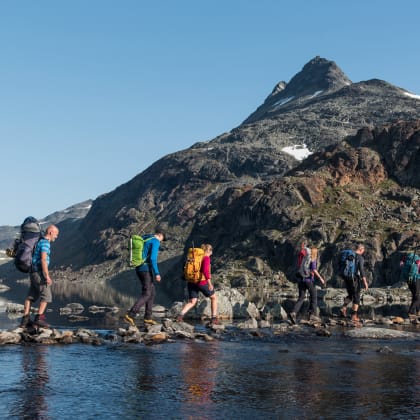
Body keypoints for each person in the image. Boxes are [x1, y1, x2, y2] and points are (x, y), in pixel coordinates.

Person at [20, 225, 60, 328]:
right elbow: (43, 260)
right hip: (39, 273)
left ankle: (25, 321)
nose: (57, 236)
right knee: (46, 296)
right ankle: (39, 319)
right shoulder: (45, 243)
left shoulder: (39, 242)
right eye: (56, 234)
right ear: (50, 232)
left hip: (33, 272)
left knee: (31, 296)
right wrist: (47, 276)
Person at [124, 230, 165, 326]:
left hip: (139, 268)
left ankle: (148, 317)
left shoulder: (146, 237)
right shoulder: (155, 241)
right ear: (160, 235)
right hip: (145, 269)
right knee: (147, 293)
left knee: (152, 292)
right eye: (162, 239)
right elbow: (153, 258)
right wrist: (157, 273)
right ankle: (131, 314)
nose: (161, 242)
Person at [176, 244, 218, 325]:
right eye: (211, 250)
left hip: (191, 282)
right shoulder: (206, 258)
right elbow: (205, 271)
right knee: (214, 298)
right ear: (208, 251)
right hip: (201, 282)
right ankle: (214, 318)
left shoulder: (194, 258)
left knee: (192, 301)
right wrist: (209, 284)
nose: (212, 252)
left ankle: (180, 316)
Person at [289, 247, 325, 324]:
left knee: (301, 297)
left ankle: (293, 312)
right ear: (315, 253)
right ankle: (312, 315)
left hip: (300, 280)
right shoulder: (313, 259)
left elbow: (301, 266)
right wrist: (321, 278)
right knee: (314, 296)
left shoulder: (305, 258)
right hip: (308, 280)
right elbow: (314, 270)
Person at [340, 243, 369, 322]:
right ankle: (354, 316)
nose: (363, 252)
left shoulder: (349, 255)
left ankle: (343, 308)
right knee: (356, 297)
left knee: (350, 295)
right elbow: (361, 270)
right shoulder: (360, 258)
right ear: (361, 249)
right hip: (354, 279)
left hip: (347, 277)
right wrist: (365, 282)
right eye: (363, 250)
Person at [399, 253, 420, 318]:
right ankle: (411, 312)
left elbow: (401, 265)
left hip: (408, 279)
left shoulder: (405, 259)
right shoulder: (418, 260)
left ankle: (418, 311)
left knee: (415, 295)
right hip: (416, 279)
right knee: (416, 296)